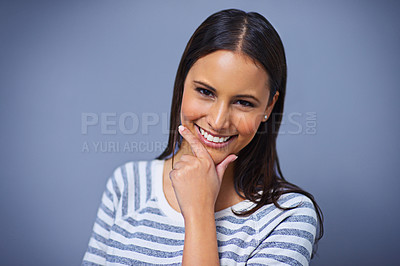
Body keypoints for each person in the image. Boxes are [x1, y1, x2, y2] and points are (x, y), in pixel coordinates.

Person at [82, 8, 323, 265]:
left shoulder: (288, 216)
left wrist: (199, 211)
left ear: (268, 108)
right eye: (206, 92)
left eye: (243, 102)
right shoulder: (127, 184)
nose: (218, 122)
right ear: (183, 82)